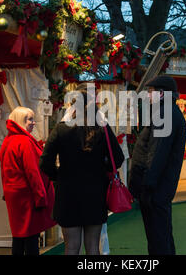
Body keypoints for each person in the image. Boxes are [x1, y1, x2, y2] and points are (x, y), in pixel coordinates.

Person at [40, 84, 125, 255]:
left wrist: (58, 176)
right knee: (93, 246)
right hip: (95, 192)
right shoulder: (102, 129)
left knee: (71, 247)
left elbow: (45, 162)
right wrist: (103, 169)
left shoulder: (61, 129)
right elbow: (118, 159)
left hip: (67, 193)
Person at [128, 75, 186, 255]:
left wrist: (146, 185)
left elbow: (157, 153)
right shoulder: (167, 112)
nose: (147, 95)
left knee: (158, 238)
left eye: (150, 92)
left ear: (161, 94)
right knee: (162, 235)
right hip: (159, 187)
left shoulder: (165, 114)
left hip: (155, 189)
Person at [0, 107, 56, 255]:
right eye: (29, 119)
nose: (33, 123)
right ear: (20, 121)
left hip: (15, 195)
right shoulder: (24, 142)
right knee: (31, 236)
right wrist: (41, 197)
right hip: (28, 197)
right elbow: (33, 172)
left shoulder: (8, 140)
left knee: (19, 235)